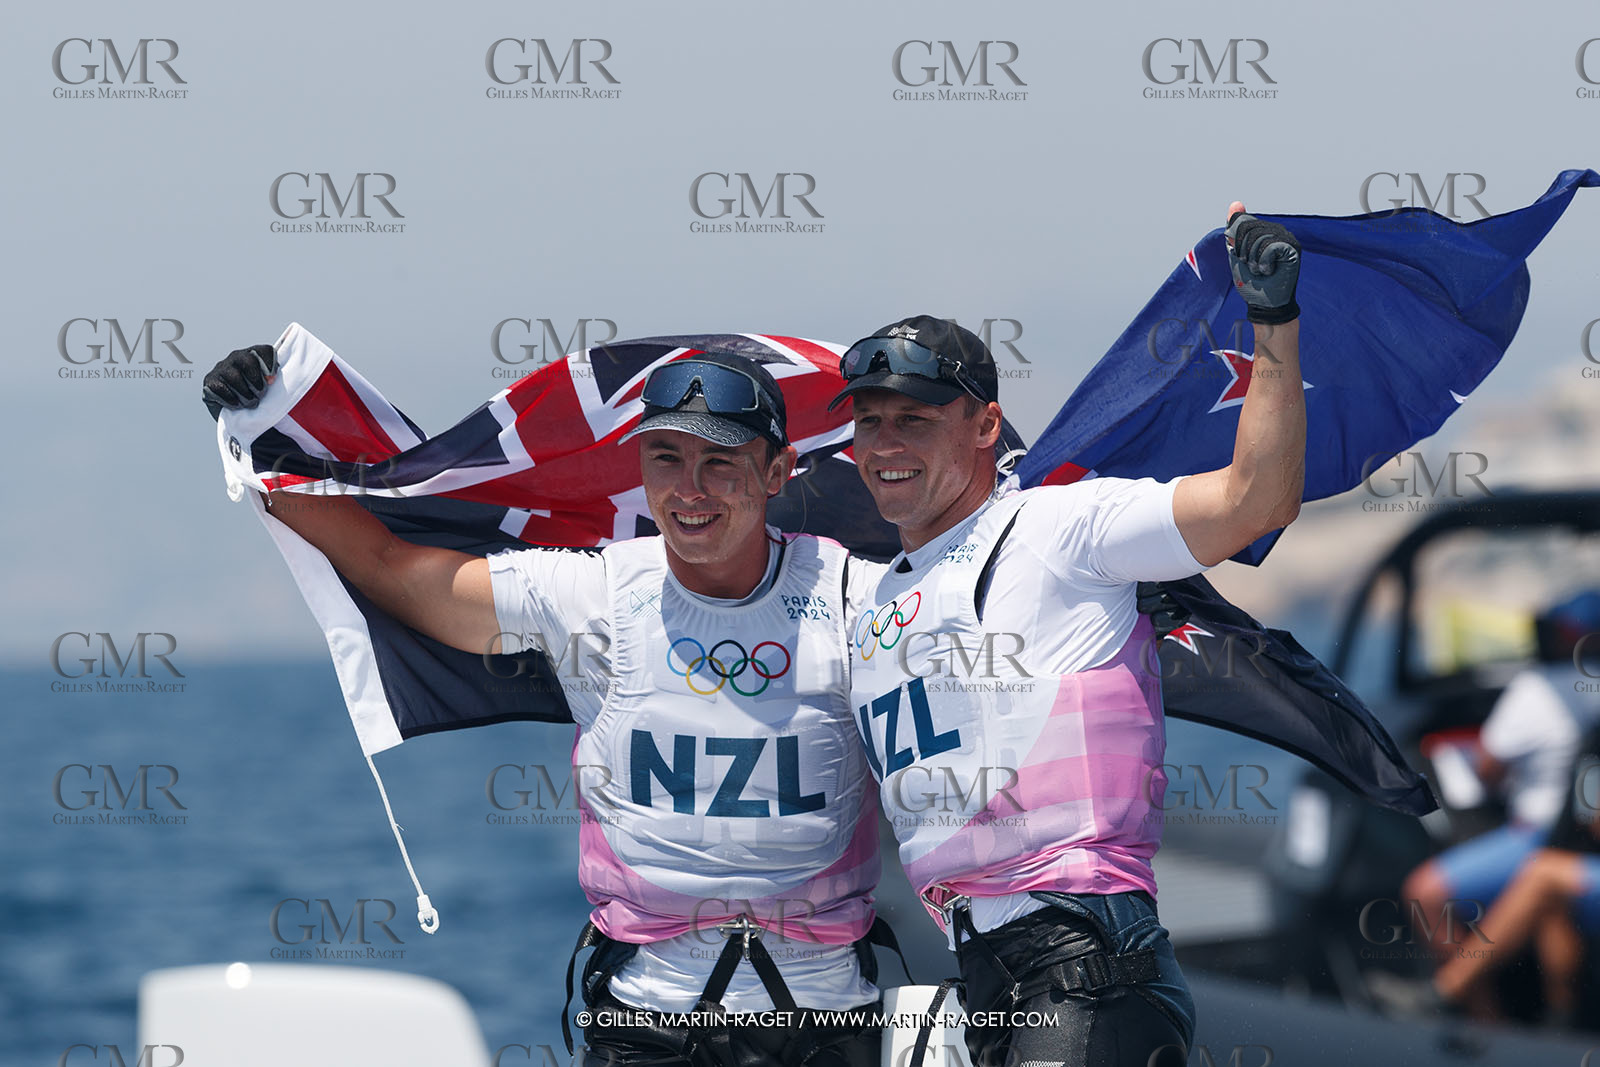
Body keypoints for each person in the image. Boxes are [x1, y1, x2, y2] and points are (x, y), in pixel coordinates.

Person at [202, 348, 894, 1067]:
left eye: (720, 461)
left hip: (826, 1023)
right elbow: (389, 568)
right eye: (665, 458)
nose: (690, 488)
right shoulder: (591, 595)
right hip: (646, 1027)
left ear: (778, 471)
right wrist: (260, 439)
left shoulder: (857, 598)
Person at [830, 207, 1307, 1067]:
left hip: (1085, 961)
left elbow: (1255, 500)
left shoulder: (1062, 528)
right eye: (870, 420)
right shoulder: (869, 598)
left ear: (986, 425)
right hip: (976, 974)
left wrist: (1271, 322)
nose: (886, 443)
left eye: (916, 418)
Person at [1399, 592, 1600, 1021]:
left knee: (1425, 894)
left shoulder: (1538, 690)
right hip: (1577, 843)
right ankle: (1557, 1027)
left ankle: (1482, 1021)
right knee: (1550, 900)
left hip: (1541, 836)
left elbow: (1486, 771)